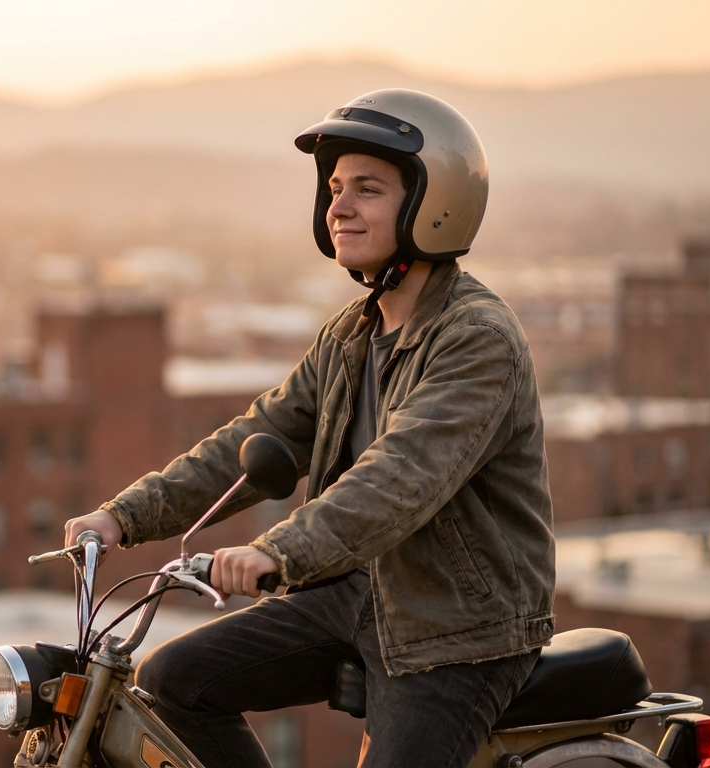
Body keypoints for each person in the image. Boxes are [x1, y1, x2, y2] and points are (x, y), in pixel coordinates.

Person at [63, 89, 555, 768]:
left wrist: (278, 551)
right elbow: (256, 436)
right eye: (334, 188)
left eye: (367, 189)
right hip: (354, 592)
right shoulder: (351, 334)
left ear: (433, 204)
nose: (339, 207)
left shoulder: (479, 340)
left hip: (454, 626)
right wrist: (124, 516)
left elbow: (401, 476)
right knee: (173, 682)